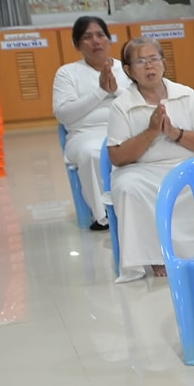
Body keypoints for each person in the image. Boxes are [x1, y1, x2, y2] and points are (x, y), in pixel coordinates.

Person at [103, 38, 194, 281]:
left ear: (164, 63)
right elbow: (117, 157)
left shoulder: (185, 95)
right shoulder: (122, 105)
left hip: (185, 165)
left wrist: (175, 133)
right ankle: (157, 255)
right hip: (141, 171)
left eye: (154, 59)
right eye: (141, 61)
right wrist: (151, 132)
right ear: (128, 70)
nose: (149, 67)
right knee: (128, 188)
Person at [50, 15, 128, 227]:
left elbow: (140, 104)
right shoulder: (67, 73)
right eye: (87, 37)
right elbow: (64, 114)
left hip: (125, 130)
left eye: (100, 35)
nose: (95, 41)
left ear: (109, 39)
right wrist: (101, 92)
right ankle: (103, 215)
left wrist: (116, 90)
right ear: (77, 44)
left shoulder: (126, 69)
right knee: (92, 153)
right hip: (84, 134)